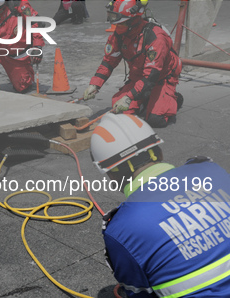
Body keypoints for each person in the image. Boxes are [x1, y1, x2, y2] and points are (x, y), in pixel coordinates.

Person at [91, 113, 230, 297]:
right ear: (159, 152)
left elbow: (139, 294)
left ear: (112, 176)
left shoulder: (120, 230)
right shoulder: (212, 171)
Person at [83, 0, 183, 128]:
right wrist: (95, 85)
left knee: (155, 119)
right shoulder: (120, 35)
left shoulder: (155, 38)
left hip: (162, 77)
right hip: (138, 76)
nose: (116, 27)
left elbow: (151, 76)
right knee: (119, 108)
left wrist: (129, 96)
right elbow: (108, 62)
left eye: (120, 23)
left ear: (133, 21)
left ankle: (174, 98)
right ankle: (146, 98)